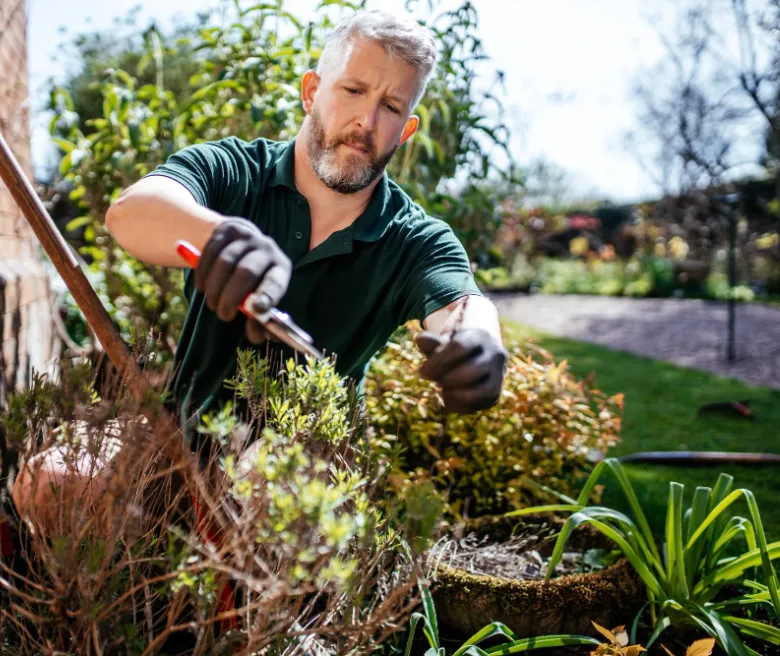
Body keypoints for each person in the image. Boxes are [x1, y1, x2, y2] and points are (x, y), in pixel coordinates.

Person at [105, 9, 508, 426]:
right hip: (174, 442)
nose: (365, 122)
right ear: (311, 92)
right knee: (50, 475)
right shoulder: (232, 170)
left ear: (405, 132)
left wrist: (477, 338)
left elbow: (464, 306)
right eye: (353, 90)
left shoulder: (416, 241)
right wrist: (218, 237)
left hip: (308, 468)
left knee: (262, 483)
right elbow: (130, 213)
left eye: (389, 107)